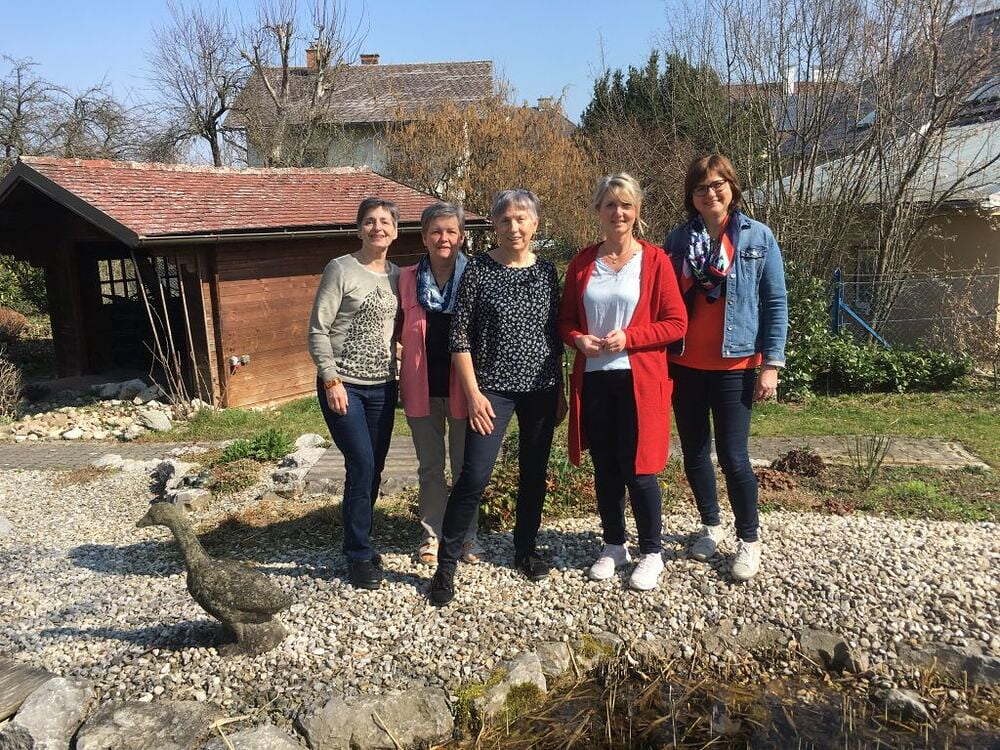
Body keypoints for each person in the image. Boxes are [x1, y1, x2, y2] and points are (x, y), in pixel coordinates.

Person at [428, 189, 564, 606]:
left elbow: (555, 336)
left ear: (535, 224)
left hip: (541, 388)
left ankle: (525, 549)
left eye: (521, 219)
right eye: (505, 220)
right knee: (474, 475)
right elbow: (459, 336)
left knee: (533, 473)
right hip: (492, 391)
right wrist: (472, 393)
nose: (514, 227)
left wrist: (560, 390)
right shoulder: (479, 270)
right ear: (494, 225)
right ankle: (446, 566)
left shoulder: (547, 272)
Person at [558, 173, 687, 591]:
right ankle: (614, 544)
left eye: (626, 205)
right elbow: (565, 320)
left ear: (637, 211)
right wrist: (578, 339)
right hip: (595, 379)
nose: (618, 212)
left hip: (639, 380)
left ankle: (652, 551)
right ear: (598, 211)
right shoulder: (583, 263)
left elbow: (676, 323)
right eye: (610, 204)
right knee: (606, 466)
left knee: (640, 468)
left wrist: (630, 338)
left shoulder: (655, 261)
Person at [664, 154, 788, 581]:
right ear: (691, 196)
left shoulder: (757, 236)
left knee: (735, 457)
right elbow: (663, 299)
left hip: (735, 364)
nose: (710, 193)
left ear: (732, 188)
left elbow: (775, 302)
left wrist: (771, 364)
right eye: (701, 188)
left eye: (718, 185)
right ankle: (710, 525)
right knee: (695, 452)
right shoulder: (679, 239)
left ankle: (749, 540)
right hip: (684, 363)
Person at [308, 197, 401, 590]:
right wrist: (331, 380)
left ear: (395, 230)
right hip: (345, 386)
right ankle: (358, 554)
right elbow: (318, 329)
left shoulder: (398, 276)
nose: (377, 227)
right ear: (359, 228)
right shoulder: (341, 269)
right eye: (369, 221)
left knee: (374, 469)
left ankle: (362, 538)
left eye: (384, 221)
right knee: (361, 464)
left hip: (383, 386)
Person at [398, 202, 483, 566]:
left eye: (451, 231)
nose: (443, 238)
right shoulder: (406, 278)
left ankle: (466, 536)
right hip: (421, 387)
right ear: (424, 237)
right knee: (430, 468)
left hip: (464, 387)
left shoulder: (476, 276)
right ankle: (431, 535)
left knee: (466, 468)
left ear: (462, 236)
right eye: (436, 231)